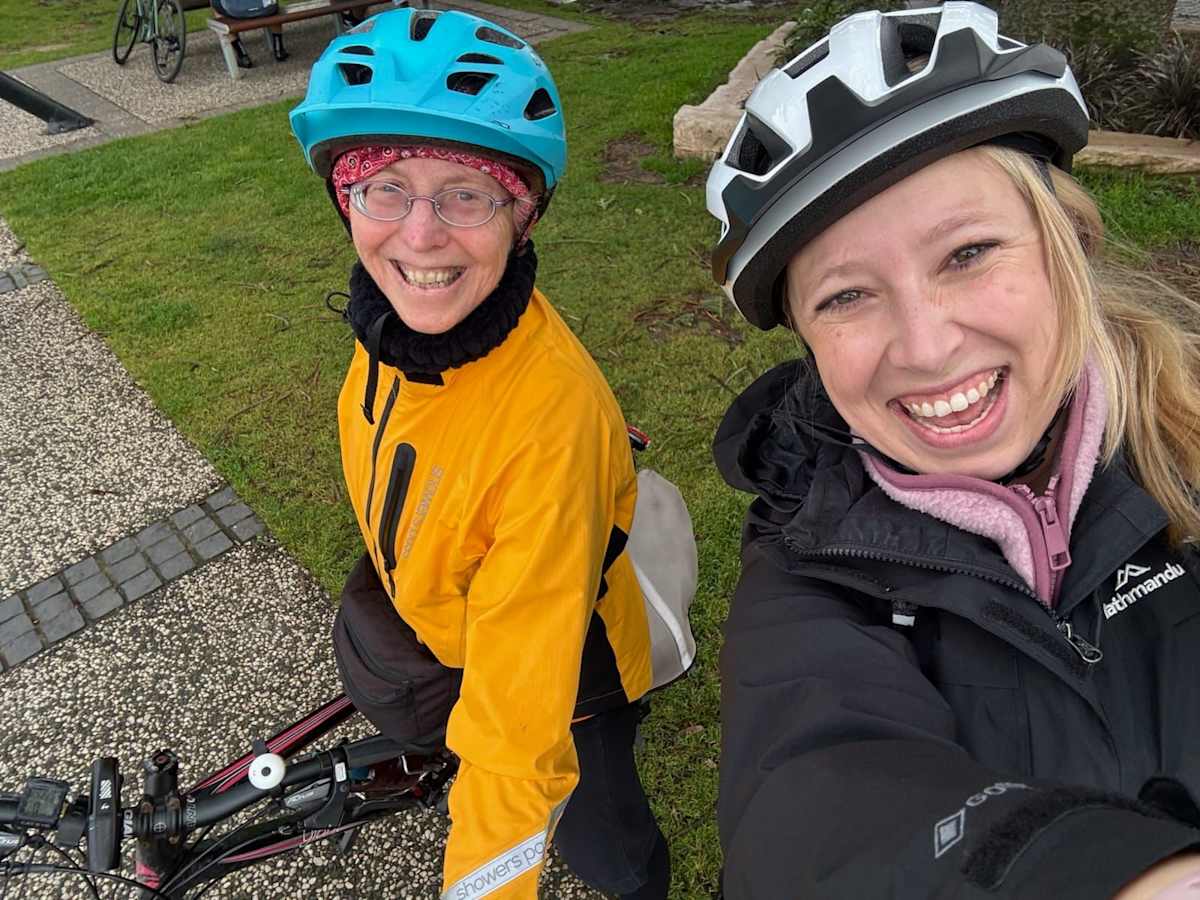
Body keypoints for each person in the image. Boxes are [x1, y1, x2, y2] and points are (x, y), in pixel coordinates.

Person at [705, 2, 1200, 897]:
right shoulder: (809, 570)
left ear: (1067, 250)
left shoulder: (1188, 437)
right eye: (847, 297)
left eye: (968, 252)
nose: (926, 347)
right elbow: (810, 807)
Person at [289, 8, 672, 899]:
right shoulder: (390, 323)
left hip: (573, 669)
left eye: (468, 192)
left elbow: (511, 743)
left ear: (523, 212)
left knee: (605, 836)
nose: (419, 237)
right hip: (452, 620)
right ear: (345, 199)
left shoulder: (550, 427)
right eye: (382, 187)